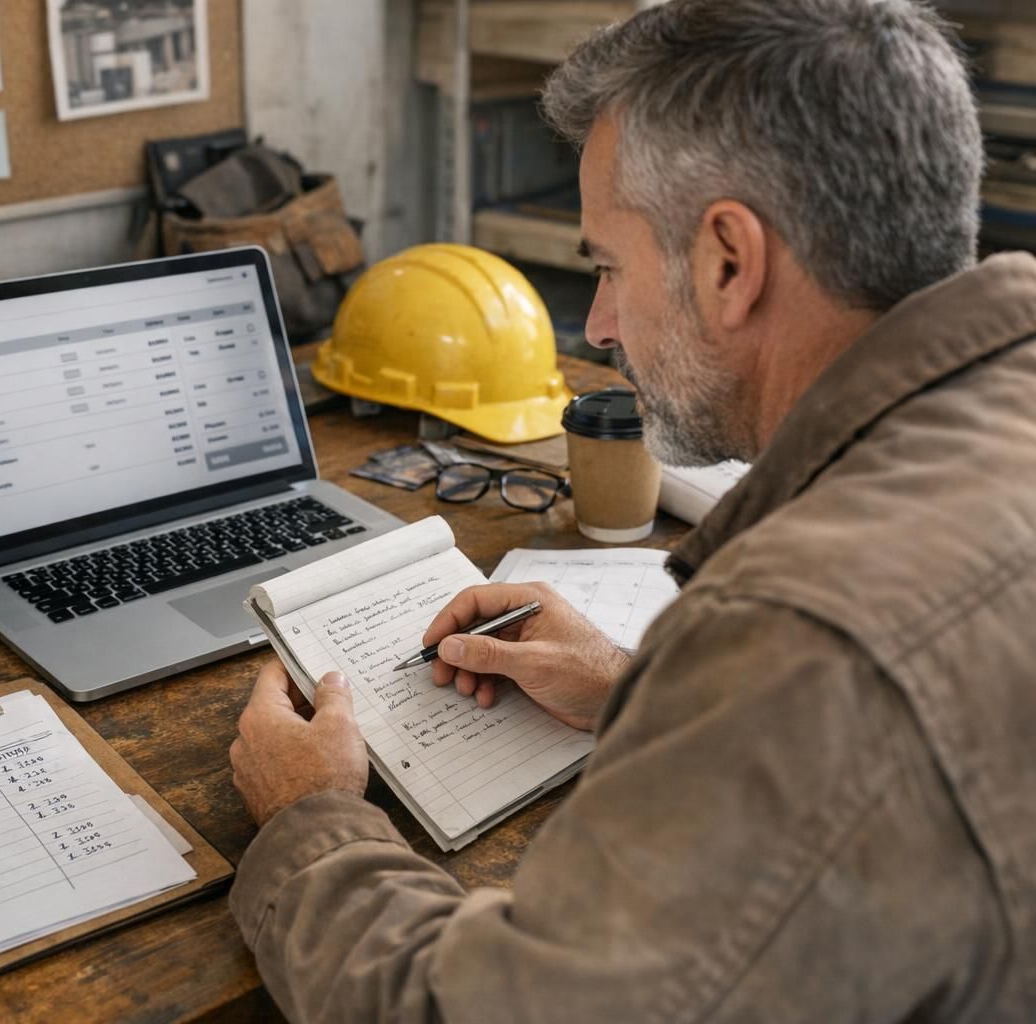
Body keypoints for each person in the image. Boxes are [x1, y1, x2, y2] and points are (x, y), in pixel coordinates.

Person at [225, 0, 1036, 1020]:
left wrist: (313, 820)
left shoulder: (805, 642)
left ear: (729, 262)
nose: (600, 324)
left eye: (607, 266)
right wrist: (644, 694)